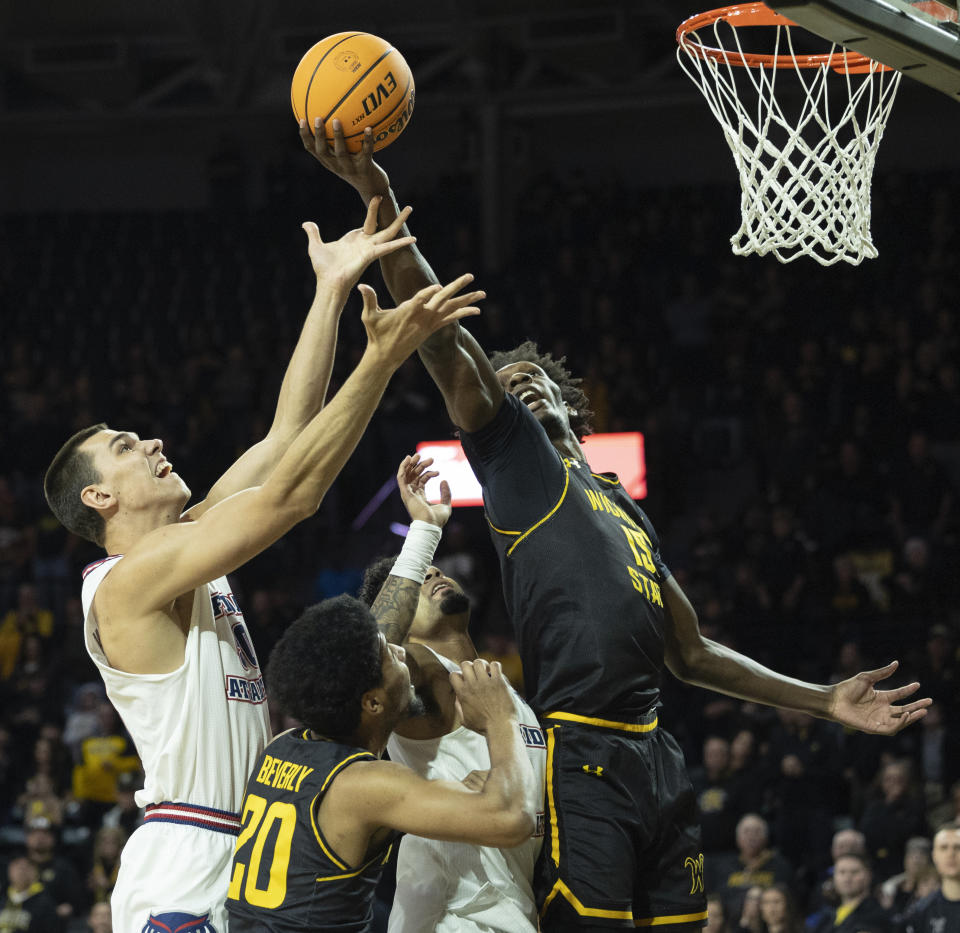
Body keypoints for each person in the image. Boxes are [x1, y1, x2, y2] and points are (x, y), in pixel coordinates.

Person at [306, 115, 933, 931]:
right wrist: (379, 196)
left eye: (530, 379)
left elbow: (694, 652)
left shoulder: (623, 510)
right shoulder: (519, 464)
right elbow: (451, 350)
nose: (512, 387)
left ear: (571, 401)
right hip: (582, 755)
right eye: (504, 384)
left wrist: (822, 700)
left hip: (656, 754)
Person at [41, 199, 483, 931]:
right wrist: (380, 357)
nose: (150, 443)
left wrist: (331, 291)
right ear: (100, 497)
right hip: (185, 862)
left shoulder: (186, 546)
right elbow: (293, 497)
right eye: (125, 447)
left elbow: (287, 436)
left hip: (238, 852)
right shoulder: (127, 585)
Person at [226, 601, 538, 929]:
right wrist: (501, 717)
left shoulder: (285, 745)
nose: (400, 650)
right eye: (389, 654)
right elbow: (511, 819)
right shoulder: (362, 784)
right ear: (373, 702)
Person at [358, 554, 547, 931]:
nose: (433, 573)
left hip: (509, 905)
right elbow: (363, 660)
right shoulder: (424, 677)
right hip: (457, 917)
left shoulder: (491, 682)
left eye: (435, 569)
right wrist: (423, 532)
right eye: (416, 583)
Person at [899, 823, 960, 933]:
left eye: (958, 847)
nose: (951, 854)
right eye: (943, 848)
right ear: (934, 856)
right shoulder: (921, 910)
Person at [811, 853, 889, 933]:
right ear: (834, 877)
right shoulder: (826, 916)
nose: (847, 878)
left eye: (854, 872)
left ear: (868, 875)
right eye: (842, 872)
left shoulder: (876, 915)